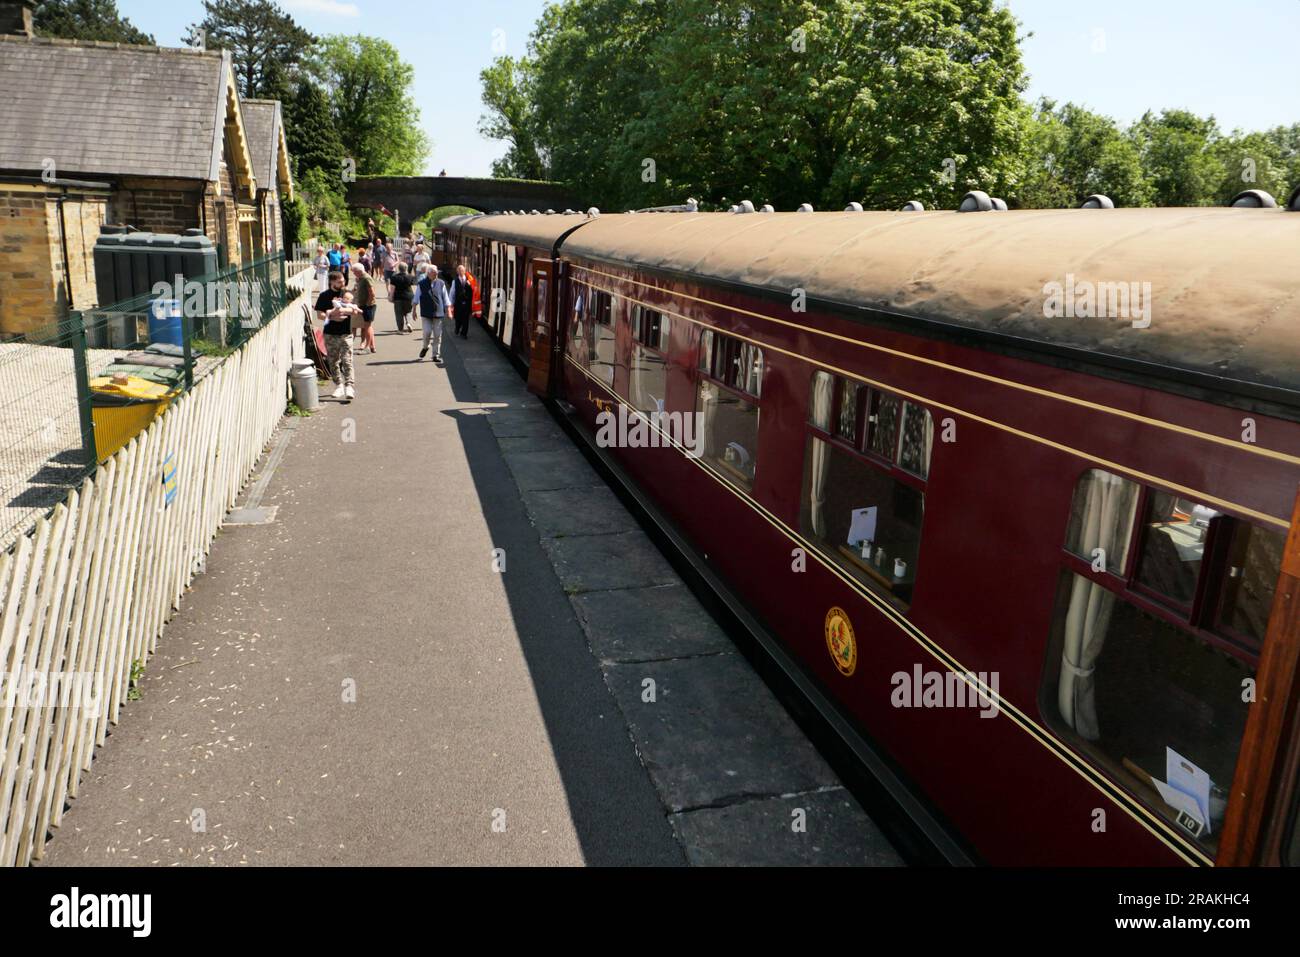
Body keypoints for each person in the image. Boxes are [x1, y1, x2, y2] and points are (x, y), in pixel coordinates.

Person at [315, 271, 357, 399]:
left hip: (346, 333)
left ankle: (349, 386)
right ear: (332, 282)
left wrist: (340, 311)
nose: (343, 283)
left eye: (343, 281)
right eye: (339, 282)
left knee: (347, 360)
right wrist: (332, 317)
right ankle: (339, 385)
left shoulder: (347, 294)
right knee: (333, 361)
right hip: (330, 334)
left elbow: (354, 310)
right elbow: (320, 314)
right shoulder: (324, 296)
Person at [417, 264, 451, 362]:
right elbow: (416, 297)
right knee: (427, 332)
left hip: (438, 312)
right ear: (428, 273)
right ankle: (425, 347)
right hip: (426, 312)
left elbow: (445, 297)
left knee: (437, 335)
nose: (436, 275)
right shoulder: (422, 283)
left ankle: (435, 355)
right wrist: (414, 308)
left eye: (437, 273)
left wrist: (448, 310)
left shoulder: (441, 283)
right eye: (434, 273)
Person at [352, 263, 378, 354]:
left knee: (367, 327)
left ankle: (367, 347)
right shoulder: (361, 278)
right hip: (365, 305)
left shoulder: (366, 278)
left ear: (359, 271)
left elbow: (372, 293)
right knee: (368, 326)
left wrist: (367, 304)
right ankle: (372, 346)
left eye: (354, 272)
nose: (353, 274)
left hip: (368, 306)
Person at [449, 263, 474, 339]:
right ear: (457, 272)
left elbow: (473, 291)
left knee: (466, 319)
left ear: (464, 271)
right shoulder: (454, 281)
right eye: (459, 271)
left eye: (462, 270)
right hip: (458, 303)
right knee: (458, 318)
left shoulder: (469, 280)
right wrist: (450, 304)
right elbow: (452, 293)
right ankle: (457, 328)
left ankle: (464, 333)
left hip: (466, 303)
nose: (461, 272)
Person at [390, 262, 416, 333]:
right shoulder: (410, 277)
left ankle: (400, 329)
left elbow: (392, 289)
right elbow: (413, 284)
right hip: (409, 296)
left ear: (399, 268)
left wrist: (391, 297)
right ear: (406, 268)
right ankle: (408, 323)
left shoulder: (394, 277)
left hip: (398, 297)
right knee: (408, 311)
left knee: (399, 314)